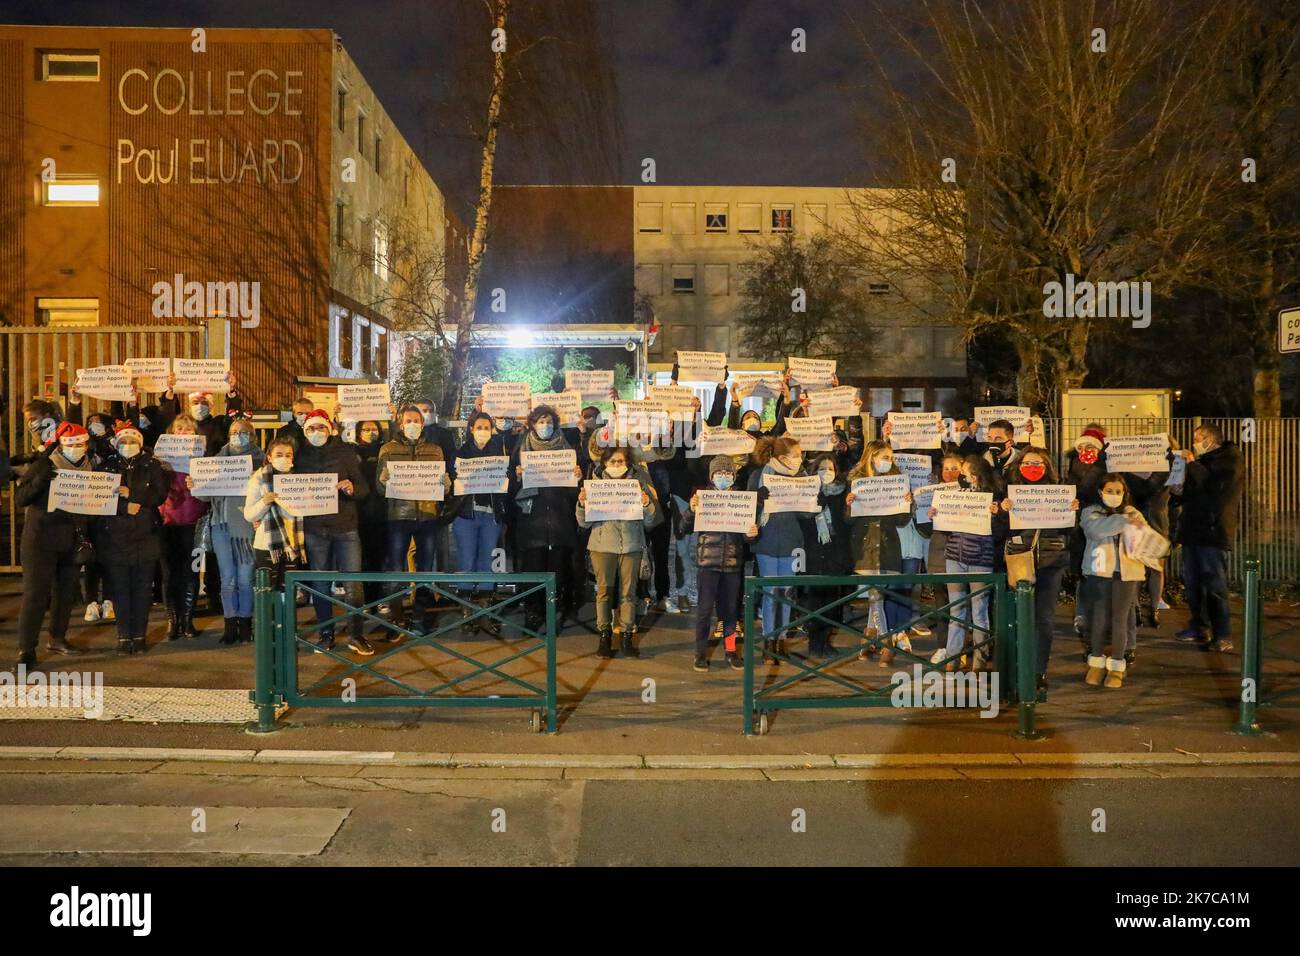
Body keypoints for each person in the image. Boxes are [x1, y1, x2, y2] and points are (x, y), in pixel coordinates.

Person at [1000, 446, 1080, 694]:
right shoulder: (1009, 492)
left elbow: (1069, 532)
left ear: (1047, 466)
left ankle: (1037, 671)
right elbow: (1002, 531)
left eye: (1037, 463)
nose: (1032, 468)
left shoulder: (1059, 492)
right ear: (1018, 466)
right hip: (1020, 559)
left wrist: (1072, 512)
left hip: (1051, 561)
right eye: (1027, 463)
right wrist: (1003, 512)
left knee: (1043, 618)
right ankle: (1017, 667)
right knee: (1019, 616)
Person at [14, 422, 93, 666]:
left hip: (70, 539)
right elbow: (21, 498)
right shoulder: (44, 464)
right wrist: (40, 481)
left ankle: (57, 638)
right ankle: (26, 649)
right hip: (41, 540)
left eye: (81, 444)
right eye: (72, 444)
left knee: (65, 593)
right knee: (36, 594)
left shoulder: (90, 467)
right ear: (61, 445)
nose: (77, 448)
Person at [295, 408, 373, 655]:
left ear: (329, 429)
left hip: (345, 527)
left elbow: (363, 488)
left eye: (320, 428)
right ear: (304, 432)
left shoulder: (346, 453)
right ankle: (326, 634)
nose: (316, 433)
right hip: (315, 529)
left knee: (354, 584)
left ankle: (356, 633)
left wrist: (352, 487)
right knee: (320, 584)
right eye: (311, 429)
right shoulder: (298, 455)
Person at [578, 446, 660, 659]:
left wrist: (647, 503)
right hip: (602, 546)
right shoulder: (594, 486)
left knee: (628, 593)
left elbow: (651, 521)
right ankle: (604, 636)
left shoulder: (638, 484)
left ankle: (626, 637)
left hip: (631, 545)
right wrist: (581, 503)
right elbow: (583, 523)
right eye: (612, 462)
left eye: (620, 462)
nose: (616, 466)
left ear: (628, 463)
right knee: (603, 592)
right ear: (604, 463)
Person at [376, 406, 451, 633]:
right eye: (408, 420)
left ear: (423, 423)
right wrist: (382, 480)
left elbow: (441, 488)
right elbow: (380, 489)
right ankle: (397, 617)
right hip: (399, 516)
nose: (413, 424)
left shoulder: (435, 450)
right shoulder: (387, 449)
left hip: (428, 516)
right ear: (401, 424)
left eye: (416, 420)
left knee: (425, 568)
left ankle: (419, 616)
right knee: (396, 567)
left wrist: (445, 485)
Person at [189, 415, 263, 645]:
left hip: (246, 528)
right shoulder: (216, 461)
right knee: (227, 579)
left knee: (244, 579)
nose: (238, 436)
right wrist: (195, 485)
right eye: (233, 432)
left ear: (251, 436)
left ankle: (245, 625)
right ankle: (230, 625)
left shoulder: (260, 462)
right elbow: (204, 495)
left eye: (243, 432)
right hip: (220, 526)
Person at [95, 422, 168, 655]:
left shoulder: (152, 465)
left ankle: (139, 636)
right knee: (120, 588)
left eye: (132, 441)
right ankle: (123, 636)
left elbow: (159, 494)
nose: (128, 445)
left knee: (142, 588)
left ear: (140, 444)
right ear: (116, 444)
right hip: (115, 536)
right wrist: (124, 506)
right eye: (123, 441)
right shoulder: (106, 467)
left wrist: (135, 497)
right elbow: (98, 497)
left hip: (145, 535)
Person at [510, 405, 583, 634]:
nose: (546, 426)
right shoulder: (520, 449)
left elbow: (574, 495)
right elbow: (509, 490)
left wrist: (576, 480)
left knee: (558, 571)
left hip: (560, 521)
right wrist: (518, 478)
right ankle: (534, 614)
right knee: (533, 571)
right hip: (532, 523)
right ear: (532, 424)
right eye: (541, 421)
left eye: (549, 421)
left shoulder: (567, 450)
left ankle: (555, 613)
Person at [1171, 424, 1244, 652]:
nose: (1194, 442)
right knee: (1193, 584)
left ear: (1210, 439)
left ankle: (1222, 634)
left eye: (1197, 438)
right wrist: (1177, 493)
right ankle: (1199, 625)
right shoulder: (1204, 461)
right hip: (1193, 531)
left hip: (1213, 531)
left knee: (1214, 584)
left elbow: (1214, 487)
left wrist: (1192, 463)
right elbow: (1193, 492)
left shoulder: (1230, 459)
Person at [928, 454, 1004, 671]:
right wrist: (937, 514)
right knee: (956, 609)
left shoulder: (992, 497)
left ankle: (980, 660)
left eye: (964, 473)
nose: (960, 476)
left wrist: (996, 516)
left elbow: (999, 533)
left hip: (980, 558)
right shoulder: (955, 495)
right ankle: (952, 658)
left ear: (975, 475)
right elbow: (946, 527)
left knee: (979, 611)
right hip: (954, 557)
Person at [683, 455, 759, 670]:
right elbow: (683, 527)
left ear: (734, 476)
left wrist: (752, 533)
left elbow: (748, 537)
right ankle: (700, 653)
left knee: (731, 613)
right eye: (719, 473)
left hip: (732, 563)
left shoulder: (742, 500)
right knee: (704, 611)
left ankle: (731, 650)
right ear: (711, 476)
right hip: (708, 563)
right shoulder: (702, 497)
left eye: (728, 473)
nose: (723, 477)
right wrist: (691, 510)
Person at [844, 440, 916, 664]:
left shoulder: (895, 483)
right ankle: (886, 643)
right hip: (865, 546)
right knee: (876, 594)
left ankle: (869, 638)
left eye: (891, 458)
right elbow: (847, 521)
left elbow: (901, 520)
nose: (889, 461)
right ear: (872, 457)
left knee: (877, 594)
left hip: (887, 545)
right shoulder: (856, 481)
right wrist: (849, 504)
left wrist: (908, 504)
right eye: (885, 457)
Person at [1080, 474, 1150, 688]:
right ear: (1101, 492)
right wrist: (1125, 522)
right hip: (1099, 571)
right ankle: (1097, 662)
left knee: (1120, 619)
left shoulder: (1133, 513)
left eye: (1118, 492)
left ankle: (1117, 666)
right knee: (1099, 618)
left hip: (1126, 573)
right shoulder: (1090, 512)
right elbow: (1096, 531)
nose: (1114, 495)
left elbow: (1143, 537)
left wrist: (1131, 523)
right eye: (1109, 491)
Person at [446, 411, 509, 635]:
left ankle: (484, 613)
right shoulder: (460, 454)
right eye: (479, 427)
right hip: (466, 515)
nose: (483, 431)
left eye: (487, 427)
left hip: (491, 516)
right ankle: (467, 613)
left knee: (487, 564)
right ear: (471, 429)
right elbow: (453, 483)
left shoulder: (500, 453)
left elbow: (506, 482)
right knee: (466, 564)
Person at [748, 435, 808, 662]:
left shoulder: (801, 477)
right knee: (771, 593)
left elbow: (806, 514)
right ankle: (769, 640)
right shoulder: (758, 476)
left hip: (793, 543)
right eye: (797, 455)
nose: (800, 460)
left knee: (788, 594)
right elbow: (746, 509)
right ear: (782, 457)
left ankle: (782, 639)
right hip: (767, 543)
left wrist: (814, 501)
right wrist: (758, 498)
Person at [158, 415, 208, 641]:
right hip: (167, 521)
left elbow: (213, 491)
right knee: (169, 573)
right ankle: (172, 621)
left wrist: (200, 483)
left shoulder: (204, 459)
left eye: (189, 430)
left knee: (190, 573)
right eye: (180, 429)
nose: (184, 434)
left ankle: (188, 620)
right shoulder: (161, 461)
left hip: (193, 521)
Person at [801, 452, 852, 659]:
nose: (826, 472)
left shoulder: (842, 493)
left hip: (836, 552)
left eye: (830, 469)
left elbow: (846, 524)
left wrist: (848, 506)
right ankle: (815, 642)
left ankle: (827, 641)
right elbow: (804, 522)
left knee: (833, 601)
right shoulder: (807, 492)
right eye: (822, 468)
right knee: (815, 601)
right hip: (814, 552)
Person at [243, 438, 305, 591]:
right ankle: (268, 616)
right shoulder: (258, 479)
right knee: (267, 591)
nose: (284, 458)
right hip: (267, 545)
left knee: (288, 591)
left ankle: (285, 616)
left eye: (288, 454)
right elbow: (249, 515)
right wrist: (265, 502)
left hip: (292, 545)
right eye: (279, 454)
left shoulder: (300, 480)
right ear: (269, 457)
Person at [157, 370, 244, 455]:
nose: (199, 406)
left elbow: (234, 415)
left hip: (213, 468)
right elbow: (165, 414)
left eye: (204, 403)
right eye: (195, 403)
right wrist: (171, 390)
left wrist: (231, 390)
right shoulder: (180, 426)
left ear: (211, 406)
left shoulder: (220, 424)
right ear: (190, 406)